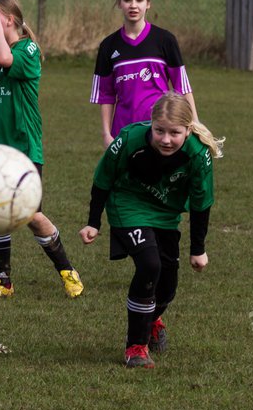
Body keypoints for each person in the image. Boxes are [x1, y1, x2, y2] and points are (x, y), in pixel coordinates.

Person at [78, 94, 221, 369]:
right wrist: (93, 222)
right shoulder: (129, 139)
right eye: (160, 131)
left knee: (167, 286)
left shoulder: (198, 153)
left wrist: (198, 249)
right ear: (151, 125)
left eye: (175, 133)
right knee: (149, 264)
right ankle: (136, 347)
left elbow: (202, 202)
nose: (166, 139)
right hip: (128, 205)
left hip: (166, 214)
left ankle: (152, 319)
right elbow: (103, 178)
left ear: (188, 130)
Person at [0, 0, 83, 300]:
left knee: (29, 214)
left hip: (22, 147)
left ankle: (67, 270)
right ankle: (2, 282)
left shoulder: (28, 49)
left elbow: (6, 59)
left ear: (9, 19)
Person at [90, 0, 198, 148]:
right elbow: (106, 96)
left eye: (139, 0)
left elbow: (182, 86)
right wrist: (106, 134)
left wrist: (194, 123)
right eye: (127, 0)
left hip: (160, 129)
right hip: (123, 130)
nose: (133, 5)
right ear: (119, 3)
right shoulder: (108, 46)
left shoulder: (165, 40)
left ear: (148, 4)